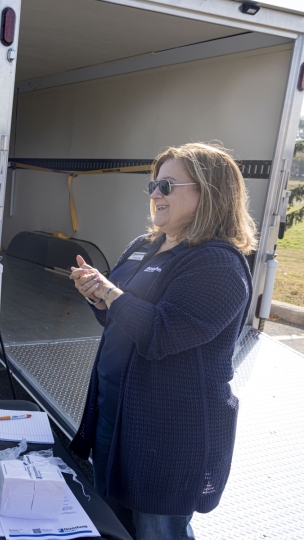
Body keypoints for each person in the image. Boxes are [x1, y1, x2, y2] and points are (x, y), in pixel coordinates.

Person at [68, 143, 256, 539]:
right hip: (113, 415)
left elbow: (162, 332)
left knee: (156, 531)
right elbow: (116, 318)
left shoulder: (218, 264)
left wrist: (111, 294)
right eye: (154, 185)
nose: (155, 194)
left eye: (168, 186)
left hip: (166, 440)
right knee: (111, 525)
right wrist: (96, 295)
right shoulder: (145, 244)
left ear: (209, 192)